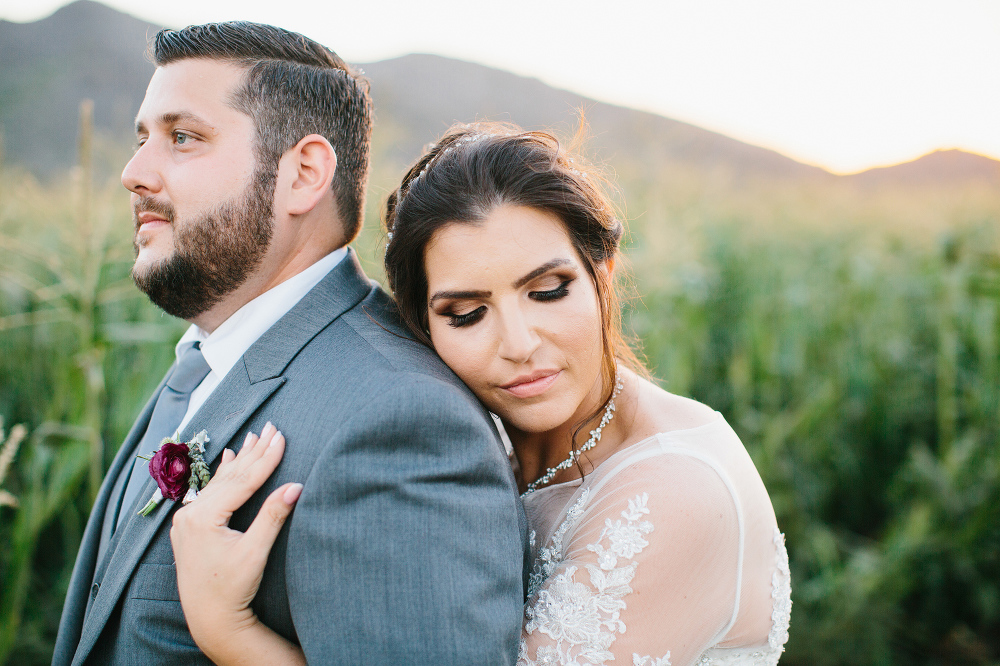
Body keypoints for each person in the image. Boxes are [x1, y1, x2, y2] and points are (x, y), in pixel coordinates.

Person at [171, 124, 793, 665]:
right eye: (467, 313)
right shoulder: (449, 438)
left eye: (548, 290)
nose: (518, 344)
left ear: (602, 275)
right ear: (423, 327)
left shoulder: (679, 492)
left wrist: (232, 632)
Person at [52, 23, 527, 666]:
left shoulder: (399, 420)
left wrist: (231, 634)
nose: (133, 174)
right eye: (142, 140)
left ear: (303, 174)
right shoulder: (204, 363)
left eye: (182, 138)